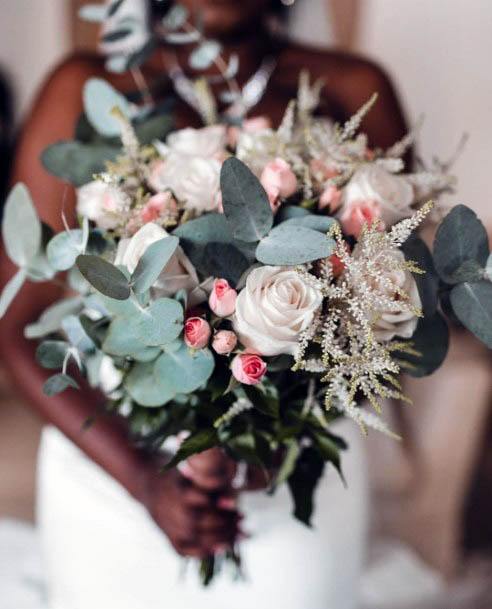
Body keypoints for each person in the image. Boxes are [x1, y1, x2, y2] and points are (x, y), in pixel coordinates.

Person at [0, 1, 409, 607]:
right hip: (111, 469)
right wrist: (145, 479)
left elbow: (391, 309)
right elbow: (18, 329)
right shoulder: (83, 89)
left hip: (286, 472)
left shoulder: (353, 90)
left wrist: (260, 454)